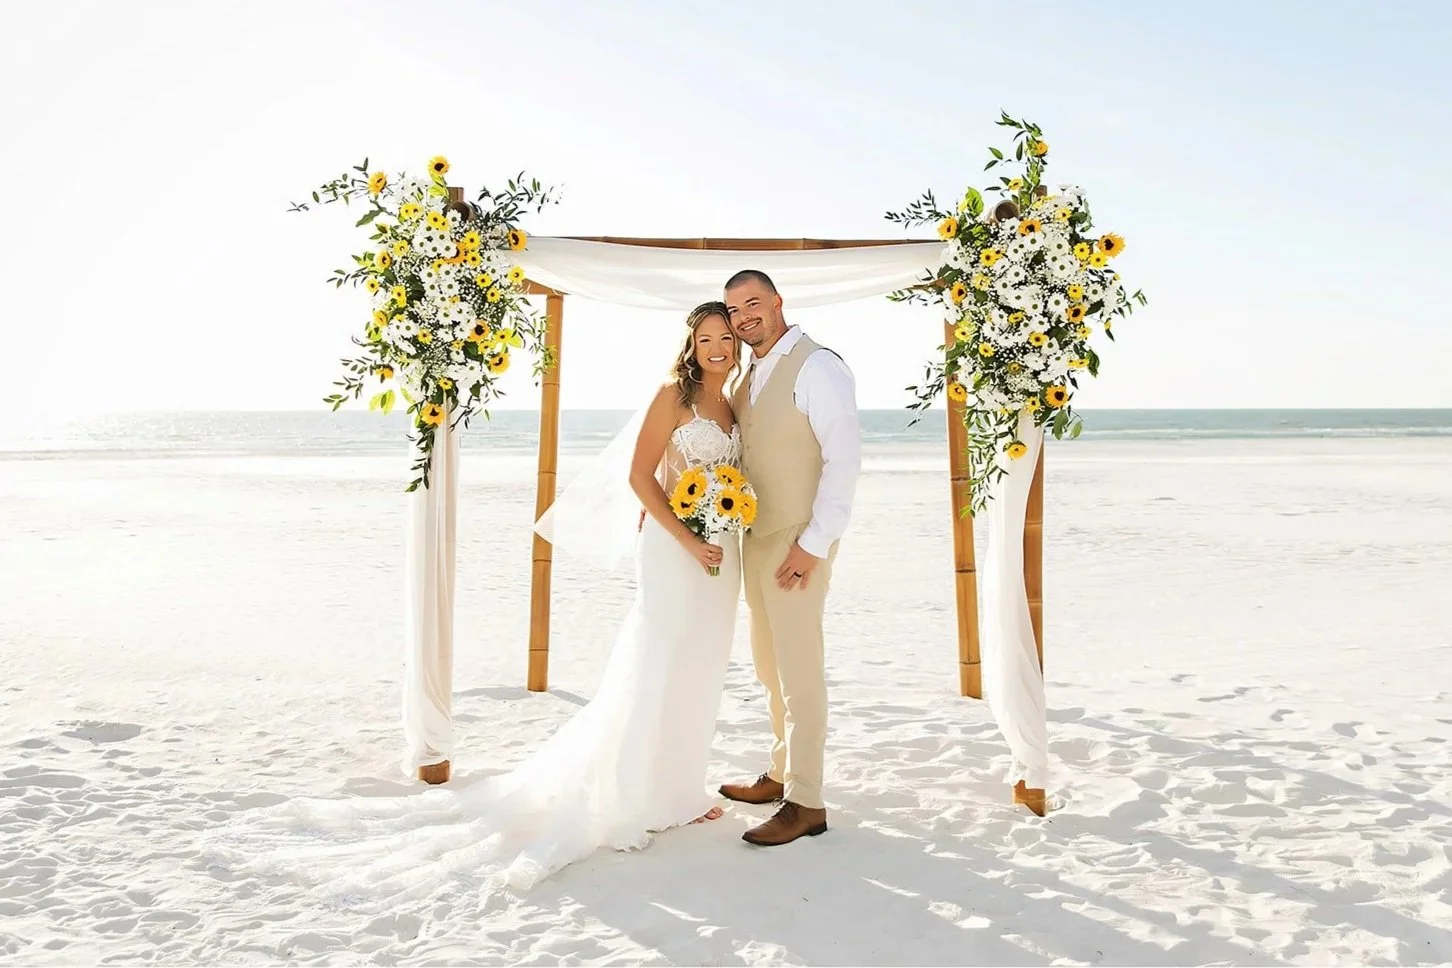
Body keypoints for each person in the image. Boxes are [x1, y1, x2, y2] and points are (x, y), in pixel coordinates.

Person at [204, 302, 747, 903]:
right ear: (690, 345)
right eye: (705, 339)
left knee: (700, 667)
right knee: (657, 664)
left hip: (722, 550)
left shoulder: (734, 400)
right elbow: (641, 477)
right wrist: (686, 538)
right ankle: (639, 795)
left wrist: (721, 531)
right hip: (676, 549)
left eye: (725, 337)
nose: (717, 348)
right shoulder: (674, 395)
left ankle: (681, 790)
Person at [717, 269, 862, 847]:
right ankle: (781, 773)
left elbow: (843, 461)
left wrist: (814, 543)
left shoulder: (818, 366)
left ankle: (806, 802)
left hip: (799, 538)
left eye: (753, 303)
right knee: (768, 666)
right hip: (756, 536)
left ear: (778, 302)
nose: (743, 317)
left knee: (800, 672)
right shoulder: (747, 375)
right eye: (733, 310)